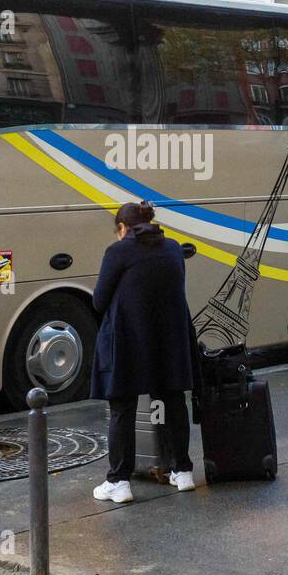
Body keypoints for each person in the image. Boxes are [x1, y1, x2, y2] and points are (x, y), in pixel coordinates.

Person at [90, 200, 197, 504]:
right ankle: (182, 471)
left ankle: (119, 481)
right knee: (173, 403)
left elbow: (99, 301)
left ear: (123, 228)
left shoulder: (118, 252)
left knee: (122, 409)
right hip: (170, 341)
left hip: (128, 343)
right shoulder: (174, 248)